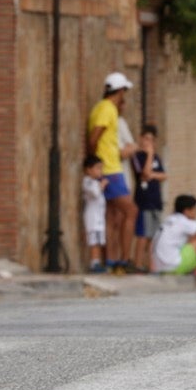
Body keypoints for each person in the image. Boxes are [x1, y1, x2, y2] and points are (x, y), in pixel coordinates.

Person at [86, 72, 136, 274]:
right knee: (131, 211)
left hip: (110, 167)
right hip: (110, 169)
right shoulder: (107, 109)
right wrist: (94, 162)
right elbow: (94, 137)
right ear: (121, 91)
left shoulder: (104, 108)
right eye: (125, 91)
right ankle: (123, 259)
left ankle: (111, 259)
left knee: (111, 215)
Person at [131, 124, 167, 274]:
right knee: (143, 235)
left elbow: (164, 175)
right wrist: (150, 154)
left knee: (153, 236)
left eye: (151, 140)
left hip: (156, 200)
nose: (148, 142)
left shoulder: (157, 157)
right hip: (144, 201)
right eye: (146, 139)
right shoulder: (138, 157)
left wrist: (153, 174)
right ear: (141, 139)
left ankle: (150, 264)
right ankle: (138, 264)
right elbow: (145, 174)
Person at [81, 156, 107, 272]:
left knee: (98, 240)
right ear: (88, 170)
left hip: (99, 217)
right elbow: (95, 193)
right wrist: (102, 185)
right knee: (94, 241)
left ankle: (97, 262)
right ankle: (94, 263)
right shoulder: (88, 182)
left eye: (101, 168)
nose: (99, 171)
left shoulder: (95, 182)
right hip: (93, 217)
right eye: (97, 168)